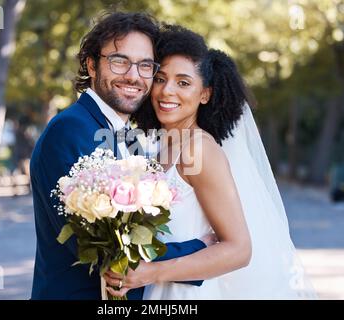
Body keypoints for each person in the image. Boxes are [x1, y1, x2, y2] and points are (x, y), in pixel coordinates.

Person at [104, 24, 317, 299]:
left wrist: (152, 271)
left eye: (183, 83)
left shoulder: (199, 150)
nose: (167, 91)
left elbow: (239, 250)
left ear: (204, 94)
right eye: (160, 78)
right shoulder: (158, 148)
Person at [30, 13, 210, 300]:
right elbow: (98, 247)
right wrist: (200, 249)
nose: (133, 75)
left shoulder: (127, 134)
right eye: (119, 61)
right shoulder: (71, 129)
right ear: (91, 65)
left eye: (145, 65)